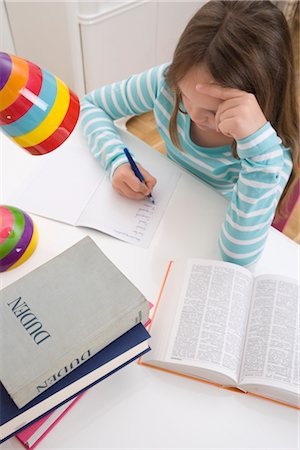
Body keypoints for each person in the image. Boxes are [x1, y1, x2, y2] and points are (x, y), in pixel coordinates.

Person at [80, 0, 299, 266]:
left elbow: (236, 257)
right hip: (165, 214)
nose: (194, 115)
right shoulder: (166, 83)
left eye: (215, 110)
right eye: (185, 96)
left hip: (216, 226)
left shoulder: (270, 155)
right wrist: (116, 160)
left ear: (259, 101)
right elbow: (92, 105)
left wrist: (260, 155)